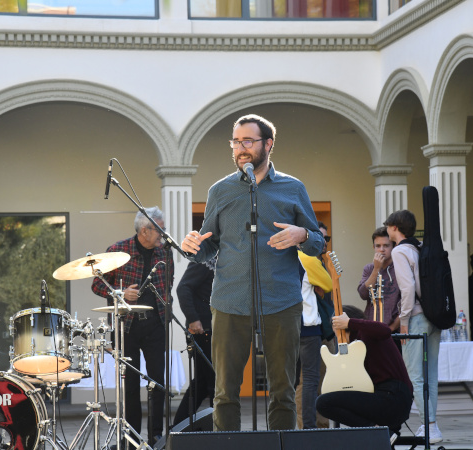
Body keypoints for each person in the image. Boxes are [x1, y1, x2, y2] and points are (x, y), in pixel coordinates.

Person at [181, 114, 325, 431]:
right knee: (224, 394)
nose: (241, 149)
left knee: (283, 393)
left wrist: (302, 236)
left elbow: (318, 243)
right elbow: (207, 246)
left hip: (281, 302)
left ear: (268, 144)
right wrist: (193, 246)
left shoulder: (292, 188)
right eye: (236, 142)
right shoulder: (220, 191)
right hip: (230, 301)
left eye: (248, 141)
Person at [91, 207, 173, 445]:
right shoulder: (118, 250)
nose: (163, 234)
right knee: (130, 387)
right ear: (145, 230)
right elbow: (97, 285)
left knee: (157, 382)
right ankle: (132, 438)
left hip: (156, 325)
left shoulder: (164, 252)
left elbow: (169, 283)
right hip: (126, 328)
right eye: (160, 229)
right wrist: (120, 293)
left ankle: (156, 436)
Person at [384, 209, 442, 444]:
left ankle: (429, 426)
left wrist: (404, 322)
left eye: (388, 226)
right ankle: (432, 425)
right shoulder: (421, 248)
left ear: (395, 228)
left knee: (414, 376)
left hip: (416, 317)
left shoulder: (400, 251)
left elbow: (407, 290)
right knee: (432, 374)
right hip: (435, 316)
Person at [315, 305, 413, 436]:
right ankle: (380, 432)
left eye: (337, 333)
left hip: (394, 396)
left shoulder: (366, 333)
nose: (338, 339)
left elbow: (384, 329)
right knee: (328, 401)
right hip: (390, 398)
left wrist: (350, 322)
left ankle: (378, 432)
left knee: (323, 403)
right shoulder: (356, 345)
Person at [173, 259, 215, 426]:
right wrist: (193, 319)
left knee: (202, 383)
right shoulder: (206, 258)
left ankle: (178, 427)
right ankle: (219, 430)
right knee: (214, 381)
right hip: (203, 329)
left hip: (212, 327)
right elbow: (183, 288)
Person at [296, 248, 332, 429]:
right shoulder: (306, 259)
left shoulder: (271, 259)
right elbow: (328, 283)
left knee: (283, 381)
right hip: (307, 327)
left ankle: (283, 430)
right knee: (310, 380)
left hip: (280, 326)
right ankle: (308, 430)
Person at [356, 227, 401, 333]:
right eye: (378, 246)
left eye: (386, 245)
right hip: (371, 327)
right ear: (373, 247)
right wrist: (376, 269)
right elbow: (363, 294)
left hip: (393, 329)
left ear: (393, 246)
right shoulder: (369, 268)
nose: (382, 249)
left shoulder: (400, 268)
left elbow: (407, 302)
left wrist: (393, 327)